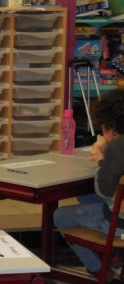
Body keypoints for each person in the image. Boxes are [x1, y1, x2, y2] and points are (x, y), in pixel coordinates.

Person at [54, 90, 124, 276]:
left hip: (118, 224)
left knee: (60, 215)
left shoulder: (117, 147)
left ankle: (99, 270)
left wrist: (102, 158)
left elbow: (104, 191)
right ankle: (115, 259)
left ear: (111, 128)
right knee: (84, 196)